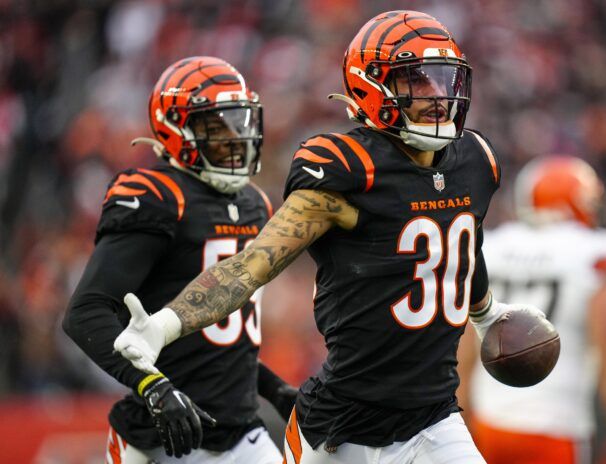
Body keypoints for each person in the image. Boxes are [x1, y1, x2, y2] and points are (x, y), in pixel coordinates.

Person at [112, 12, 546, 464]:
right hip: (338, 430)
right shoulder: (349, 168)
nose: (439, 97)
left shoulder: (475, 160)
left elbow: (463, 242)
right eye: (419, 82)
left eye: (444, 79)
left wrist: (486, 312)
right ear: (371, 86)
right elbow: (251, 266)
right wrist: (165, 325)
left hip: (432, 418)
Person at [63, 56, 296, 464]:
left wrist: (273, 389)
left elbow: (221, 338)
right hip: (164, 433)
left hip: (240, 430)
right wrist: (152, 386)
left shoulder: (254, 203)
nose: (234, 138)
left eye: (239, 123)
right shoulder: (158, 196)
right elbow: (85, 311)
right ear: (174, 130)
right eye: (215, 127)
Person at [457, 156, 606, 464]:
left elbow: (463, 351)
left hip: (488, 422)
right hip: (556, 426)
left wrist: (460, 419)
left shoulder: (491, 245)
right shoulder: (597, 251)